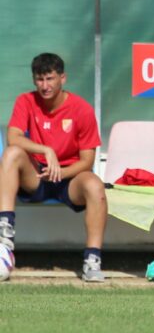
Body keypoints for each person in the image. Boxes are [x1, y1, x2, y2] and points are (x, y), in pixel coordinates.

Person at [0, 53, 107, 282]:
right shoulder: (25, 101)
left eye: (50, 78)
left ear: (63, 78)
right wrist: (45, 150)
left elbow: (87, 161)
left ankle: (92, 260)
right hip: (36, 176)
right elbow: (13, 137)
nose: (45, 86)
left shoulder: (82, 109)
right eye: (39, 79)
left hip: (70, 181)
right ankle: (4, 239)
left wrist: (61, 172)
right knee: (11, 154)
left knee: (96, 186)